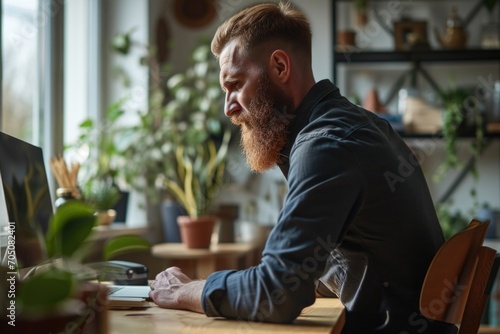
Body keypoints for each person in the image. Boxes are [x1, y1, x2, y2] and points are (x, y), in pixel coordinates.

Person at [149, 3, 456, 333]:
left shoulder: (327, 144)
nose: (228, 108)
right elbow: (341, 262)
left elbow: (276, 294)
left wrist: (185, 291)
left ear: (280, 67)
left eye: (235, 84)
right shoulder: (357, 124)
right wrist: (282, 277)